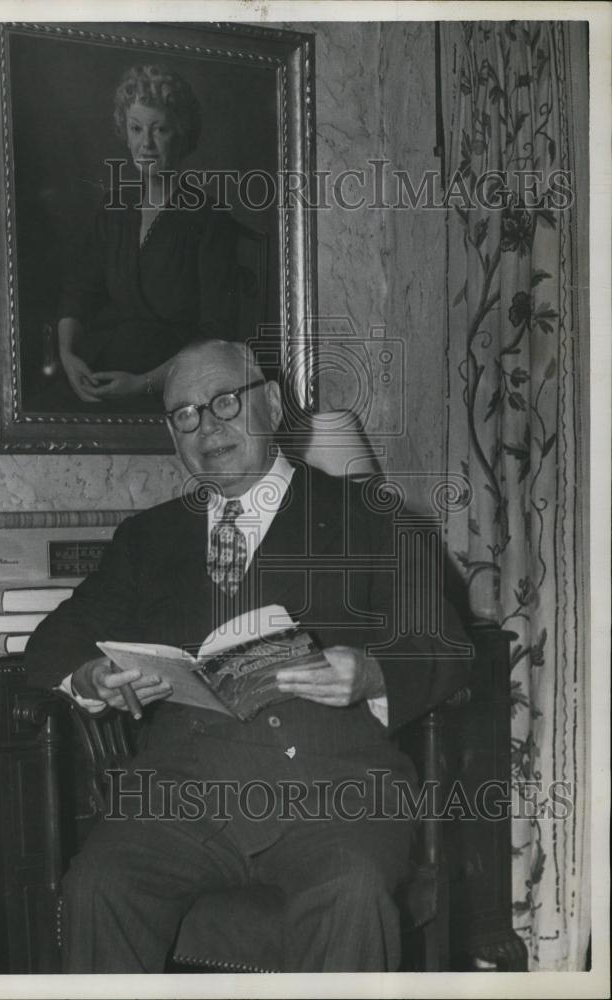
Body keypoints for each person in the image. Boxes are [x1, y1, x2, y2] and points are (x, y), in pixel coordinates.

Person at [25, 339, 471, 972]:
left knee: (349, 891)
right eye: (185, 414)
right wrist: (93, 677)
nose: (207, 426)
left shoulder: (369, 519)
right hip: (180, 798)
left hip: (333, 794)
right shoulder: (147, 539)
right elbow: (52, 643)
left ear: (276, 404)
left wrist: (370, 672)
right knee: (99, 884)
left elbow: (446, 647)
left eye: (226, 402)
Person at [57, 65, 244, 408]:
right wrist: (68, 357)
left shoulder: (210, 222)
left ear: (182, 134)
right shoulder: (114, 211)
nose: (146, 144)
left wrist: (143, 385)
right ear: (124, 133)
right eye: (136, 128)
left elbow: (218, 337)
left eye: (160, 129)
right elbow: (79, 294)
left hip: (175, 393)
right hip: (96, 379)